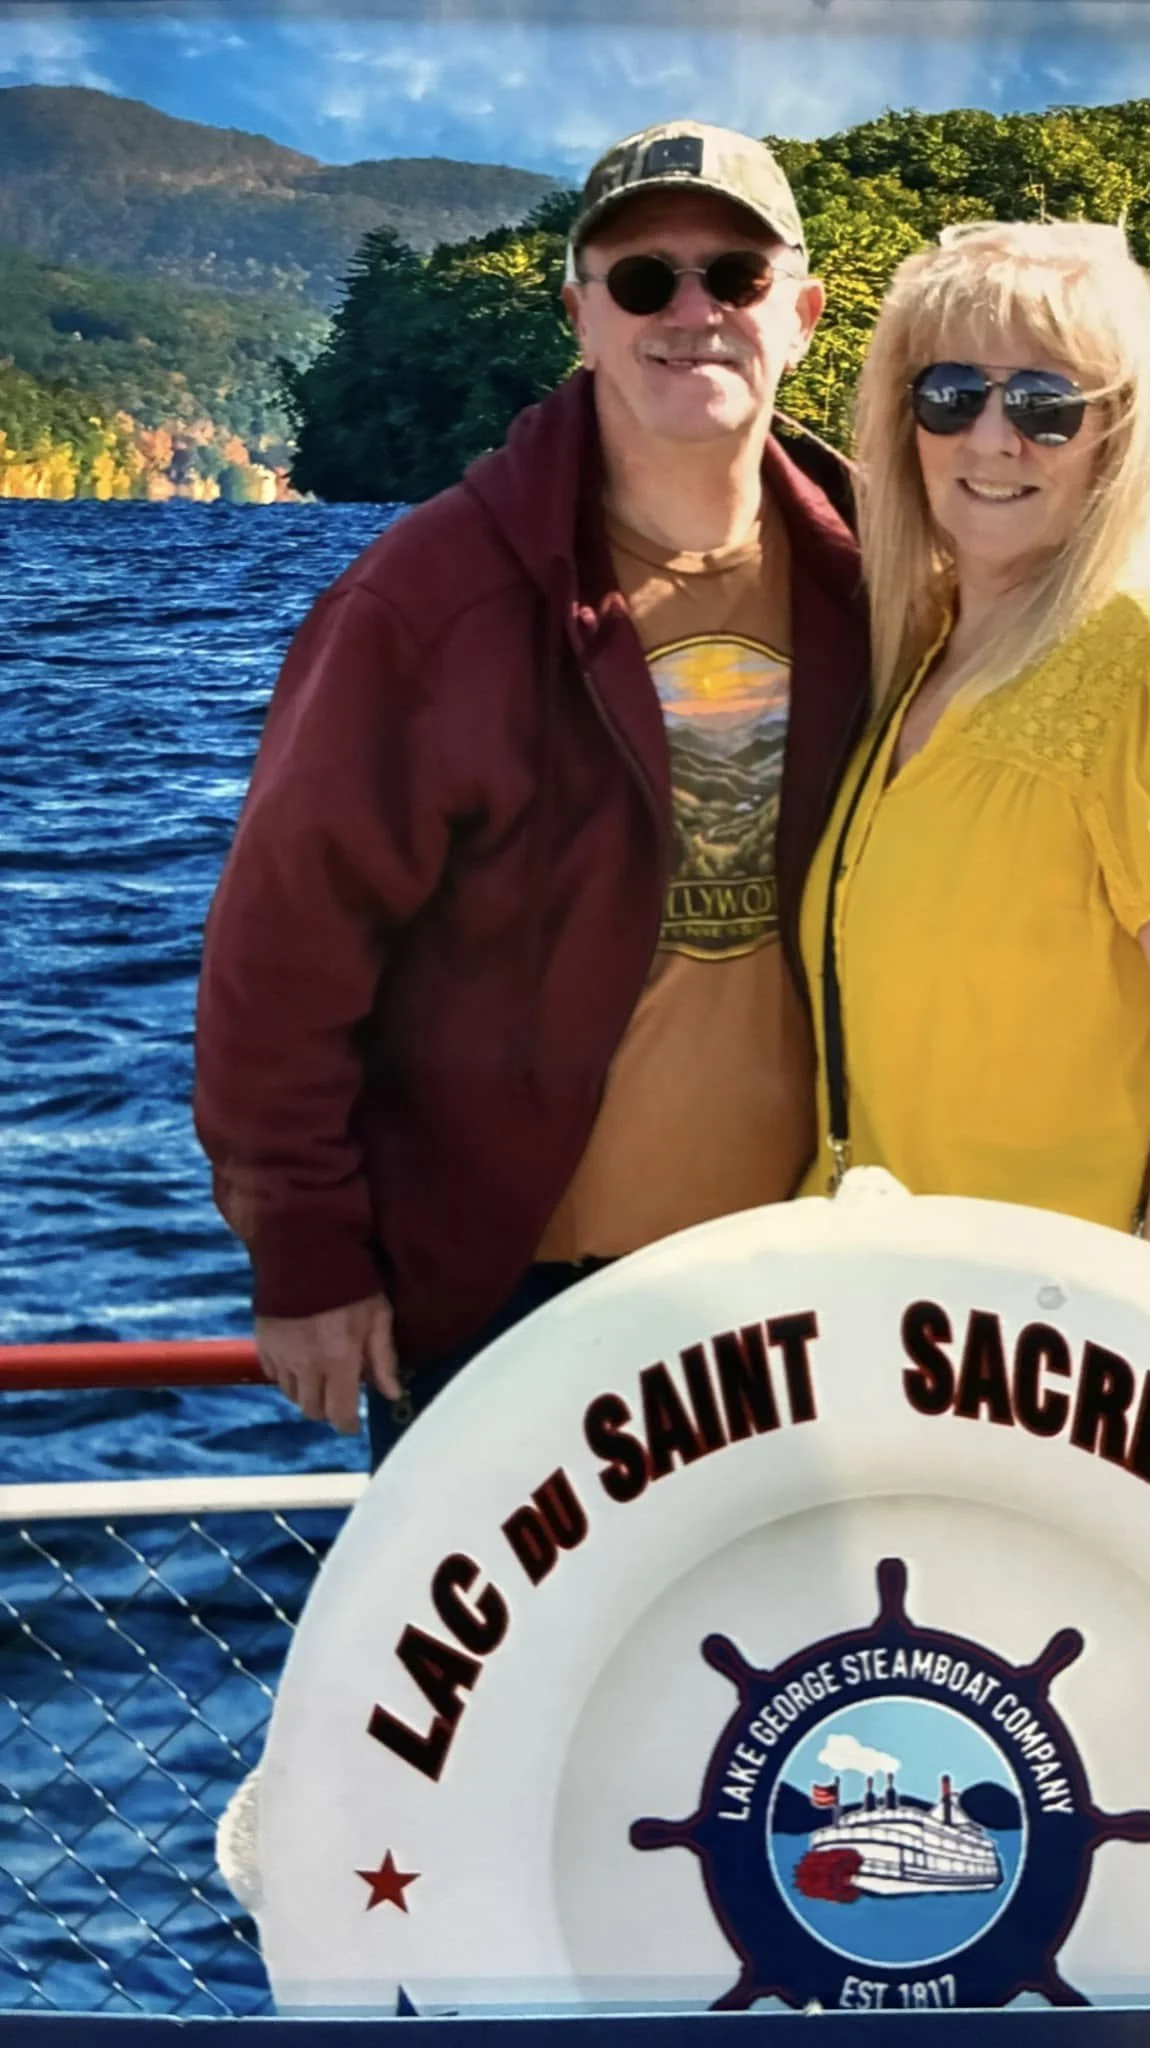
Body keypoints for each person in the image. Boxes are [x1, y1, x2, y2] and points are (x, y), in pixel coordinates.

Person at [194, 121, 869, 1462]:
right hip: (512, 1308)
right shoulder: (426, 598)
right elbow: (280, 950)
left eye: (732, 277)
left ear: (800, 312)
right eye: (640, 282)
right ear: (578, 314)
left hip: (810, 1300)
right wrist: (310, 1253)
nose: (691, 314)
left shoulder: (887, 580)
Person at [800, 220, 1150, 1328]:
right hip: (946, 1296)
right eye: (951, 393)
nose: (994, 440)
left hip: (1109, 1325)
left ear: (1117, 430)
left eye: (1047, 404)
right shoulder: (927, 646)